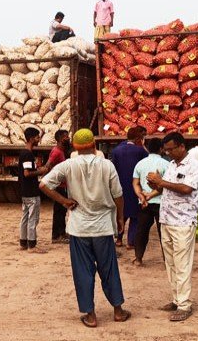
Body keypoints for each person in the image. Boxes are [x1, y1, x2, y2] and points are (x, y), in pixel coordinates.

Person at [40, 128, 131, 328]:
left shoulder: (68, 165)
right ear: (94, 145)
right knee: (109, 269)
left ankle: (90, 315)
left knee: (83, 271)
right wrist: (120, 218)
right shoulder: (107, 165)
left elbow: (44, 184)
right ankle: (118, 311)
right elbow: (118, 195)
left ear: (74, 147)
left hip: (79, 227)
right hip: (103, 226)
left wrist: (64, 201)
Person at [146, 132, 198, 322]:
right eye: (166, 150)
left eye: (171, 149)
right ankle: (176, 299)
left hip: (183, 221)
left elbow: (187, 189)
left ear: (181, 146)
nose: (168, 153)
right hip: (167, 220)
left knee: (182, 263)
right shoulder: (170, 165)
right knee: (170, 262)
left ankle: (185, 305)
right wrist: (153, 188)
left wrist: (161, 182)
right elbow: (165, 188)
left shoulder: (194, 165)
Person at [131, 138, 169, 266]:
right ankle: (167, 260)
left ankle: (138, 258)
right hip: (161, 203)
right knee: (163, 233)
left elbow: (135, 184)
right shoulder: (166, 164)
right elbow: (165, 185)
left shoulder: (140, 164)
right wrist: (151, 195)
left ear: (147, 148)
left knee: (141, 231)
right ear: (161, 149)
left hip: (144, 203)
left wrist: (141, 196)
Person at [111, 127, 148, 249]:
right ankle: (131, 241)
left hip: (120, 186)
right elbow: (146, 165)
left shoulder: (116, 150)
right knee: (135, 215)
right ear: (138, 138)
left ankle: (119, 239)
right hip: (135, 186)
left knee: (121, 213)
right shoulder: (140, 151)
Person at [19, 127, 49, 253]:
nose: (38, 140)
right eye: (37, 137)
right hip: (31, 191)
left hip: (24, 191)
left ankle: (23, 242)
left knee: (25, 217)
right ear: (31, 139)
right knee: (33, 218)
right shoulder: (28, 154)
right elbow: (27, 173)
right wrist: (40, 171)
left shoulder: (23, 153)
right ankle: (32, 245)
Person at [45, 130, 71, 244]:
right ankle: (56, 236)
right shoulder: (56, 152)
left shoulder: (61, 151)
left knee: (62, 210)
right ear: (60, 138)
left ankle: (62, 233)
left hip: (63, 185)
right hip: (59, 186)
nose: (68, 138)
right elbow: (48, 166)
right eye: (66, 137)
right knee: (59, 211)